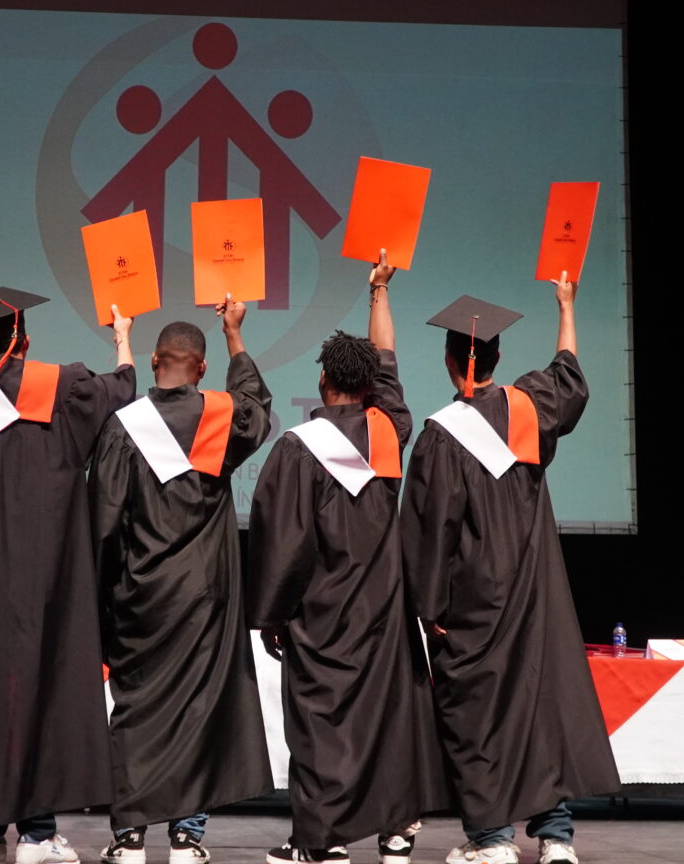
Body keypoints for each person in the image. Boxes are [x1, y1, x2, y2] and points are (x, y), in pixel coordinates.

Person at [400, 273, 619, 864]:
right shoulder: (529, 407)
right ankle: (556, 837)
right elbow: (570, 376)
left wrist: (428, 606)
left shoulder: (440, 439)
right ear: (496, 357)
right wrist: (567, 304)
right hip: (532, 592)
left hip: (472, 601)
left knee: (477, 714)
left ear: (451, 361)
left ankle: (491, 839)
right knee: (537, 706)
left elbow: (428, 530)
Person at [246, 253, 445, 864]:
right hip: (384, 609)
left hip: (323, 614)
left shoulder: (296, 450)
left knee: (322, 724)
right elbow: (388, 364)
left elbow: (282, 541)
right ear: (366, 387)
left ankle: (322, 840)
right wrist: (378, 293)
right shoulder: (391, 430)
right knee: (388, 719)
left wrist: (274, 614)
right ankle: (396, 831)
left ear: (325, 379)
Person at [0, 287, 136, 864]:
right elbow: (121, 391)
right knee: (43, 682)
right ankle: (38, 835)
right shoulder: (65, 386)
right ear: (25, 340)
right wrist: (122, 340)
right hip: (50, 573)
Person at [88, 295, 272, 864]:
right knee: (199, 709)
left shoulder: (121, 429)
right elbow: (257, 409)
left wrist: (102, 602)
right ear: (200, 369)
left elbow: (103, 523)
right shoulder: (218, 414)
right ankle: (188, 836)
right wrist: (235, 334)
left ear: (152, 363)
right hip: (204, 595)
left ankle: (129, 837)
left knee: (135, 708)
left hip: (140, 594)